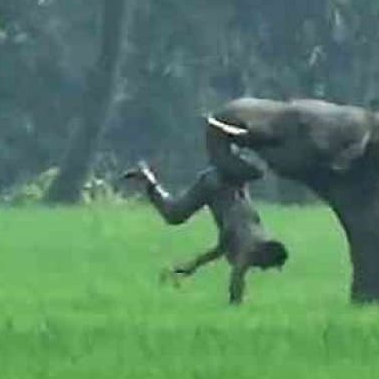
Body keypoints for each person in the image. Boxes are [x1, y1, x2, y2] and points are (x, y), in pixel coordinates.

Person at [122, 124, 288, 305]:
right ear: (264, 254)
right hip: (215, 185)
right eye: (267, 265)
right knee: (174, 215)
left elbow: (220, 250)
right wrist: (235, 304)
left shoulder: (254, 234)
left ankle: (230, 142)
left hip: (230, 181)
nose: (263, 269)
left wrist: (192, 266)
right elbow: (236, 275)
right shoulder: (248, 248)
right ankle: (148, 179)